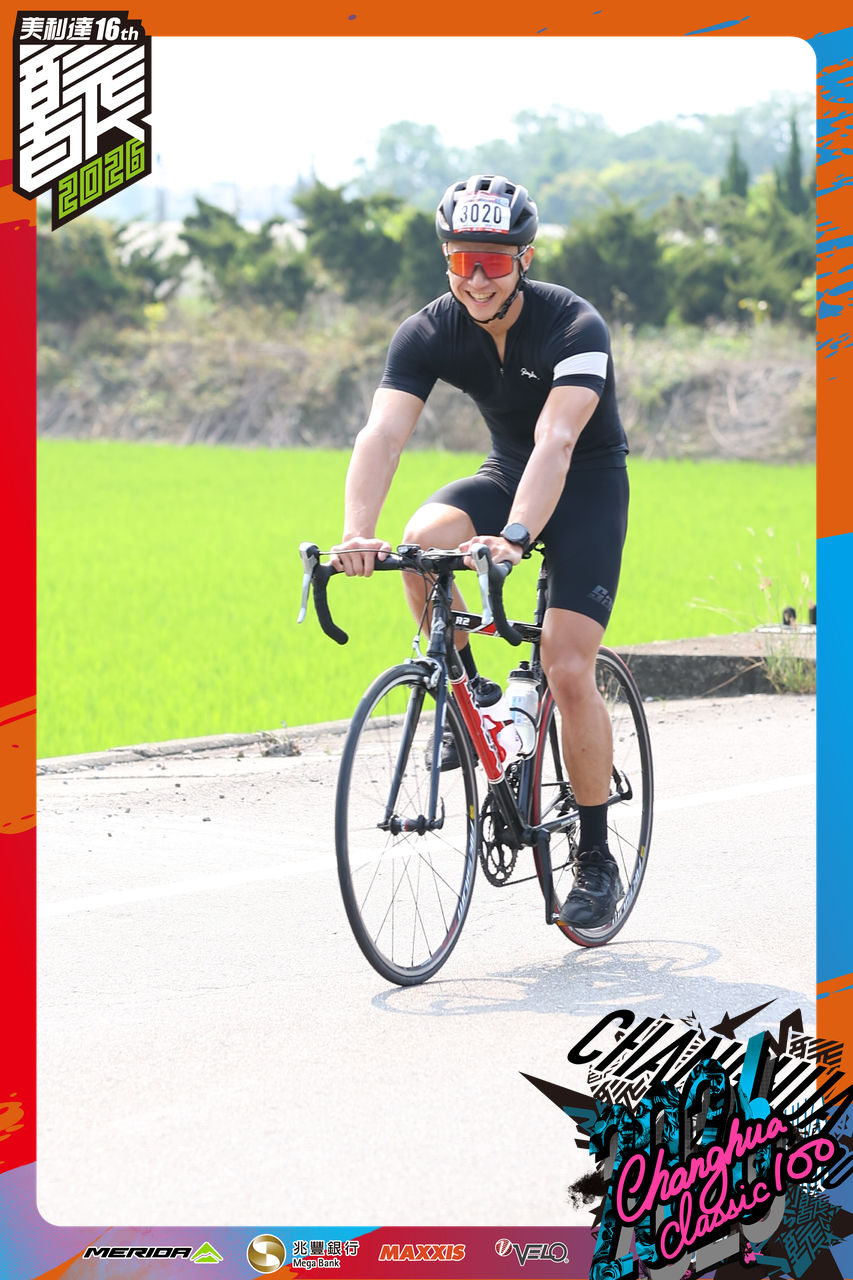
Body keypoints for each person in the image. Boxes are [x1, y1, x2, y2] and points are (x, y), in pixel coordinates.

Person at [330, 174, 630, 930]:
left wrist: (516, 537)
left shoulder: (574, 325)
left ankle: (596, 858)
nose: (476, 279)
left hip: (585, 486)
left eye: (493, 262)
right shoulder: (429, 330)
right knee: (419, 543)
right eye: (462, 261)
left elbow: (557, 440)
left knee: (567, 667)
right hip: (505, 473)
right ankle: (472, 699)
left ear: (524, 260)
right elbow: (383, 434)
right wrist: (356, 532)